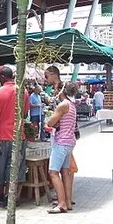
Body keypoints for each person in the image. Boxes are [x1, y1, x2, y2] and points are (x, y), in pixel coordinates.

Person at [0, 67, 30, 206]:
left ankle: (1, 194)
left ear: (2, 77)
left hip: (2, 135)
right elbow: (24, 115)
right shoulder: (23, 92)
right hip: (19, 135)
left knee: (1, 166)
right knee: (16, 166)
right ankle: (13, 197)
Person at [46, 82, 79, 214]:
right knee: (65, 172)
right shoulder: (72, 105)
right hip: (70, 142)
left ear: (62, 91)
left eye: (55, 89)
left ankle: (62, 203)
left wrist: (52, 120)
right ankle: (68, 202)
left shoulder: (63, 105)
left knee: (53, 172)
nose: (54, 92)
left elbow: (49, 122)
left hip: (61, 142)